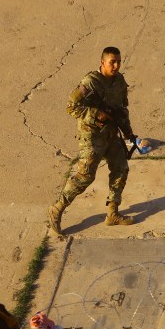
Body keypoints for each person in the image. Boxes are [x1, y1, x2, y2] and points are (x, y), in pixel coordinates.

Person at [48, 46, 140, 235]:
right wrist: (96, 114)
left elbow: (122, 109)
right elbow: (71, 107)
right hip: (91, 136)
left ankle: (112, 213)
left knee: (121, 168)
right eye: (112, 62)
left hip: (111, 133)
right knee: (85, 176)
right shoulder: (90, 82)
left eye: (119, 62)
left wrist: (128, 131)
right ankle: (57, 208)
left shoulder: (120, 82)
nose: (116, 66)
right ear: (102, 62)